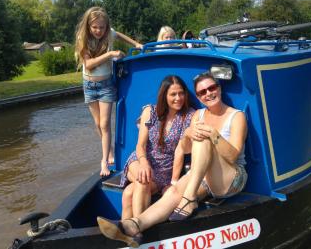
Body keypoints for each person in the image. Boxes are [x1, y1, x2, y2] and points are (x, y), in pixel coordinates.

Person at [98, 72, 248, 247]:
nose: (208, 94)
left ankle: (189, 198)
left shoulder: (236, 116)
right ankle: (133, 225)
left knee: (203, 139)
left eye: (212, 88)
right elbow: (182, 149)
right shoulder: (198, 115)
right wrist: (186, 138)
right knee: (172, 193)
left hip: (231, 177)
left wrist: (214, 135)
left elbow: (233, 156)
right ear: (198, 97)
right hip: (202, 178)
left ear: (219, 89)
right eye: (202, 92)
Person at [75, 6, 143, 177]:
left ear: (106, 26)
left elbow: (119, 34)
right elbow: (89, 65)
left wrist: (135, 44)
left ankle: (104, 160)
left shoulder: (109, 33)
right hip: (89, 86)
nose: (98, 30)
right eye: (95, 27)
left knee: (105, 124)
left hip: (105, 86)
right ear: (88, 26)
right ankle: (110, 150)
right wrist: (110, 54)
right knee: (98, 124)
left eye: (102, 27)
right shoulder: (82, 39)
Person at [119, 75, 195, 221]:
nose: (178, 98)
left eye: (181, 93)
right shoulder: (150, 112)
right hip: (140, 160)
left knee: (129, 193)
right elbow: (140, 145)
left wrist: (173, 183)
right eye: (173, 94)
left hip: (165, 169)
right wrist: (144, 163)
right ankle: (137, 228)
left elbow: (180, 150)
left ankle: (126, 230)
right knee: (143, 180)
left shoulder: (189, 116)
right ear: (164, 96)